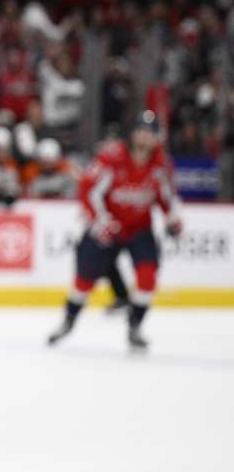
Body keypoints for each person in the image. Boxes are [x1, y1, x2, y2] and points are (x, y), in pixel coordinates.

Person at [47, 111, 182, 351]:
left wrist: (173, 218)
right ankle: (68, 321)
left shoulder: (161, 164)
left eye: (150, 133)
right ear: (133, 134)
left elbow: (166, 197)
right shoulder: (111, 158)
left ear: (157, 138)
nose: (144, 138)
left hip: (139, 228)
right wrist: (101, 221)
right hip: (106, 227)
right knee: (83, 281)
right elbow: (88, 190)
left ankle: (135, 327)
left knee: (148, 277)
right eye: (141, 131)